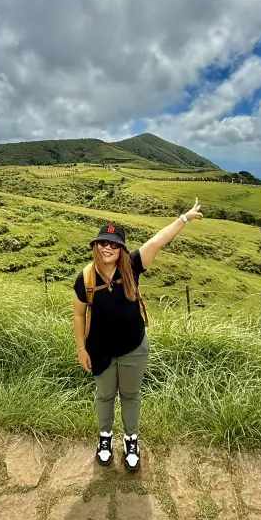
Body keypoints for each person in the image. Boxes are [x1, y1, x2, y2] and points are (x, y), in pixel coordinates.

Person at [72, 198, 204, 471]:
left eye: (114, 244)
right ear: (95, 246)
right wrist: (81, 349)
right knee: (104, 396)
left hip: (133, 347)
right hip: (100, 350)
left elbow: (158, 241)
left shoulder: (131, 266)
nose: (107, 247)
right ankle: (105, 438)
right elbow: (79, 315)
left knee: (131, 395)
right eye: (102, 242)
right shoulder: (84, 279)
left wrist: (185, 218)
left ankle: (131, 439)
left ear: (121, 250)